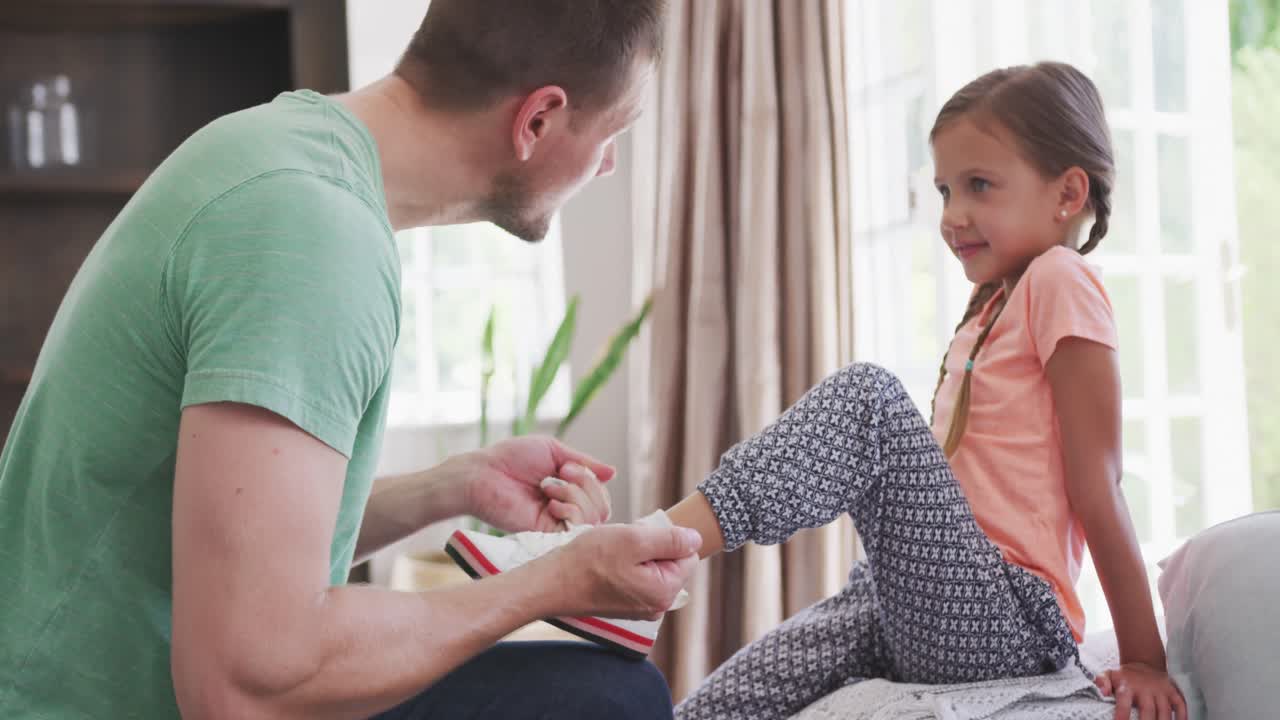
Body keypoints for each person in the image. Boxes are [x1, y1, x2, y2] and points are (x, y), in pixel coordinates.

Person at [0, 1, 700, 719]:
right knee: (608, 700)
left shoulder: (275, 149)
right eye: (613, 131)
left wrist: (456, 485)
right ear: (538, 121)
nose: (609, 163)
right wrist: (553, 581)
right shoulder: (312, 240)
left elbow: (238, 542)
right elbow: (240, 686)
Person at [659, 62, 1186, 720]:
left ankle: (653, 551)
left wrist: (1142, 659)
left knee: (870, 402)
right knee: (719, 704)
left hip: (1003, 615)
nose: (952, 215)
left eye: (979, 186)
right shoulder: (991, 302)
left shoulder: (1060, 279)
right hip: (909, 599)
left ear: (1067, 194)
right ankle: (652, 560)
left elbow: (1099, 481)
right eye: (943, 190)